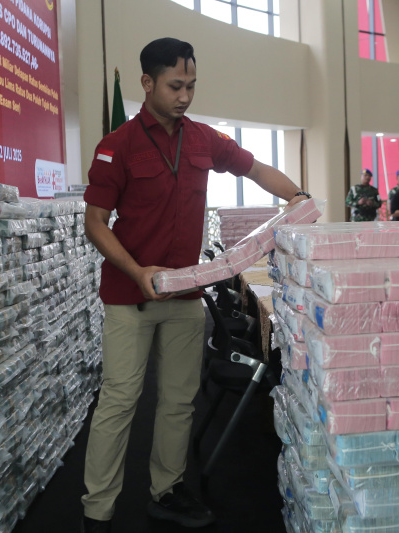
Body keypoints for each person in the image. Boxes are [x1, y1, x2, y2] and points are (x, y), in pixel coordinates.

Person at [80, 38, 308, 533]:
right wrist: (137, 271)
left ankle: (167, 491)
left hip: (186, 295)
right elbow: (95, 222)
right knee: (119, 403)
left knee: (179, 402)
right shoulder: (117, 145)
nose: (185, 96)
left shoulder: (204, 139)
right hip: (130, 297)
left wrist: (298, 196)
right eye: (175, 86)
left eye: (192, 86)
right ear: (147, 83)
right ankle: (97, 511)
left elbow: (255, 168)